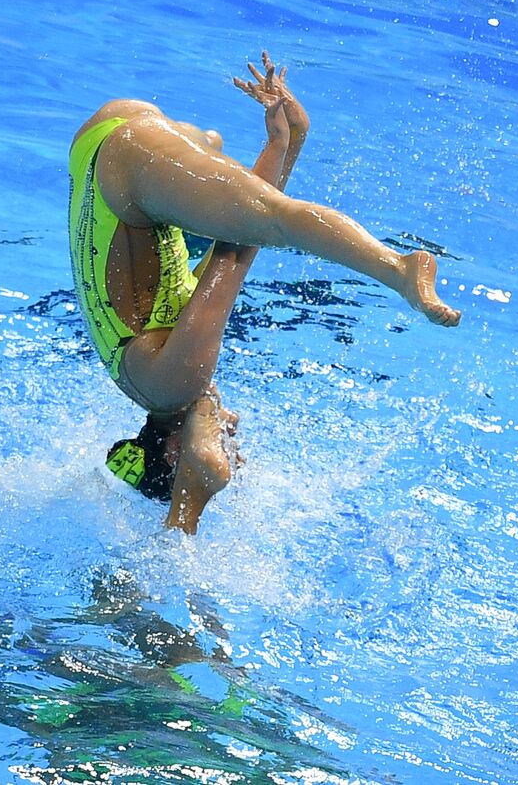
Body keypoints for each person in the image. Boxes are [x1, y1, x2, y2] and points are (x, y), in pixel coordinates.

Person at [69, 53, 461, 533]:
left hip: (125, 170)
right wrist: (284, 143)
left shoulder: (173, 385)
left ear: (173, 453)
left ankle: (400, 268)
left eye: (228, 438)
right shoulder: (139, 364)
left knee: (274, 219)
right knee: (225, 175)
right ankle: (212, 143)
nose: (234, 425)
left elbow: (239, 250)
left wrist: (201, 469)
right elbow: (233, 232)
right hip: (107, 149)